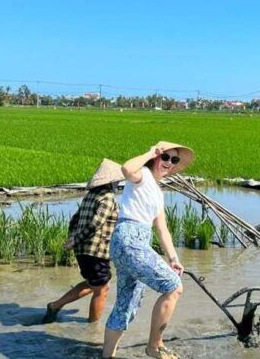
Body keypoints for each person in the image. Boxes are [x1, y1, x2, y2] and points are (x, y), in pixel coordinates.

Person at [102, 141, 194, 359]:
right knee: (173, 287)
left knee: (126, 305)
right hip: (129, 238)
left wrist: (173, 258)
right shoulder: (142, 174)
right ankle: (154, 346)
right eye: (165, 158)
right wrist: (150, 152)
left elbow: (162, 228)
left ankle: (106, 356)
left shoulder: (158, 192)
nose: (169, 163)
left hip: (135, 242)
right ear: (156, 158)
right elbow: (126, 169)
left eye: (174, 160)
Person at [43, 158, 123, 324]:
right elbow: (95, 224)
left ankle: (55, 306)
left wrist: (73, 239)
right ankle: (92, 329)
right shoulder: (107, 198)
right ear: (111, 181)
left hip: (83, 251)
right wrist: (75, 240)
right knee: (102, 289)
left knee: (92, 283)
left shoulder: (90, 196)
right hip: (96, 251)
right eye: (117, 181)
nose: (119, 184)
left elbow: (74, 219)